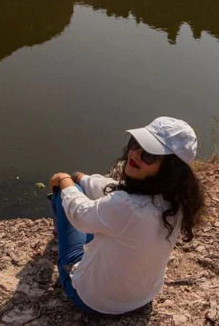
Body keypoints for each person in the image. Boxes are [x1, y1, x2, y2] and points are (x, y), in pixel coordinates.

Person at [47, 116, 206, 315]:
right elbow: (116, 192)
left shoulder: (126, 207)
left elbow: (79, 215)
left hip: (94, 300)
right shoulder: (178, 203)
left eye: (149, 155)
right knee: (84, 192)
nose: (135, 154)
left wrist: (65, 182)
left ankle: (57, 231)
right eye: (135, 144)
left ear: (170, 169)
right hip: (142, 297)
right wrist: (85, 179)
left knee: (66, 196)